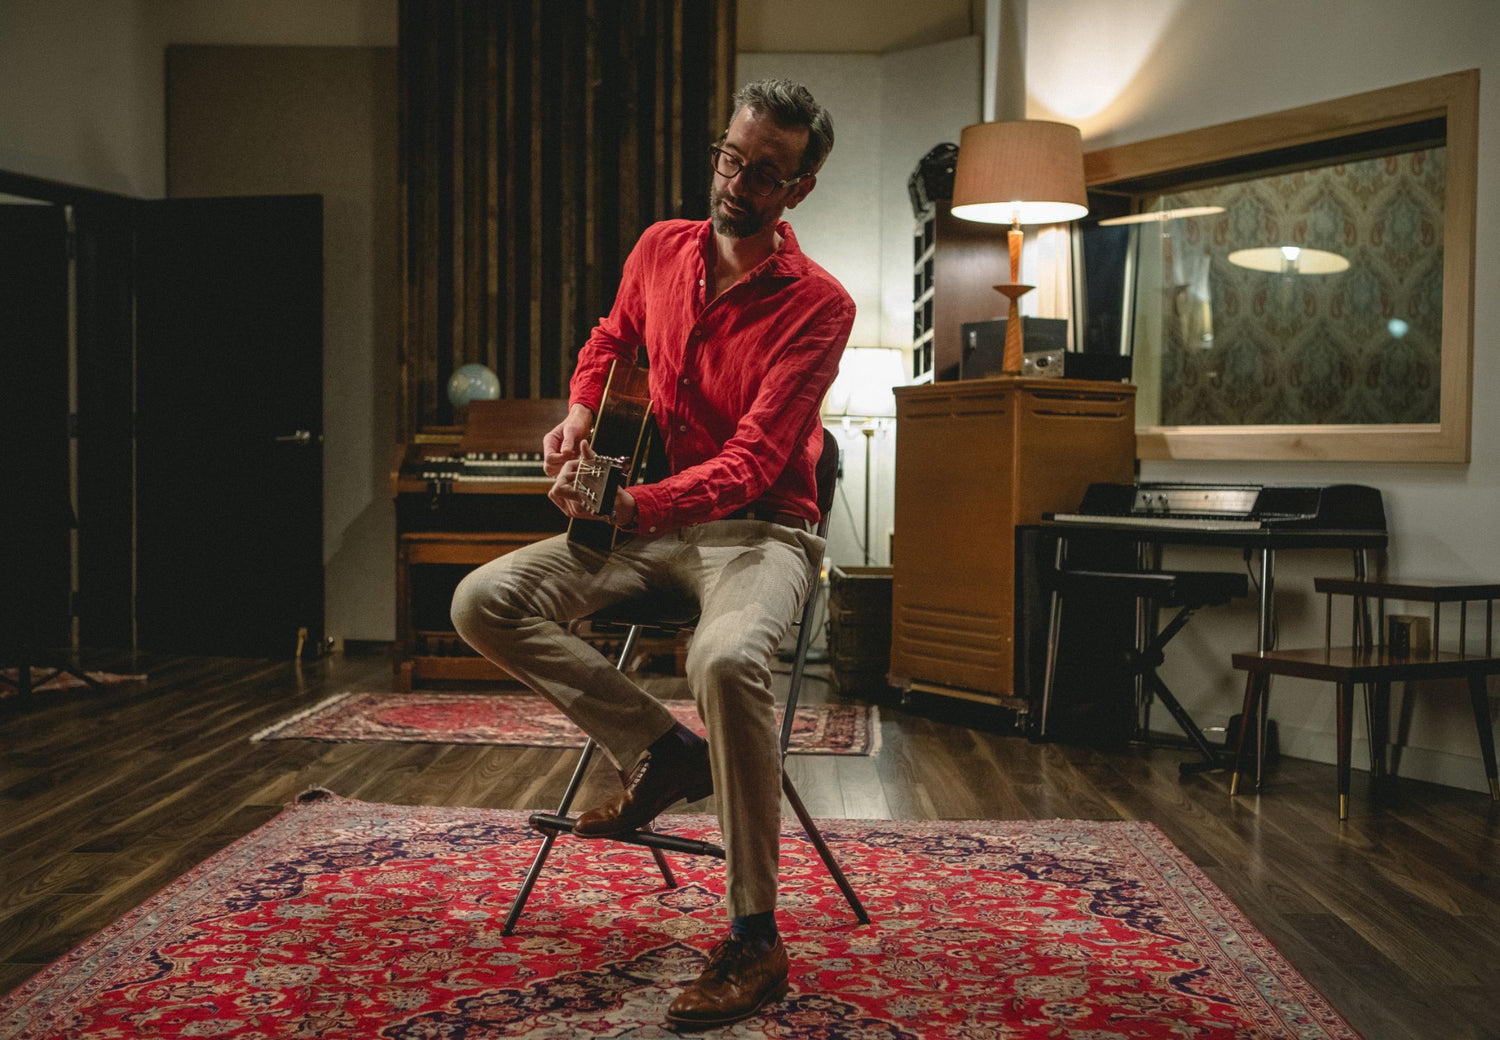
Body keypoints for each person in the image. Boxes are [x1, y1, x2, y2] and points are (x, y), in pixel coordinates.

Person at [450, 78, 853, 1029]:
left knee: (723, 657)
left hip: (763, 529)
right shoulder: (658, 249)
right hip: (653, 523)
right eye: (730, 156)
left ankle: (755, 935)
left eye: (765, 172)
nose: (737, 182)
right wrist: (579, 413)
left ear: (797, 190)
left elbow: (755, 463)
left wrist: (635, 505)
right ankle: (664, 750)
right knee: (482, 601)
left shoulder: (820, 307)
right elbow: (608, 336)